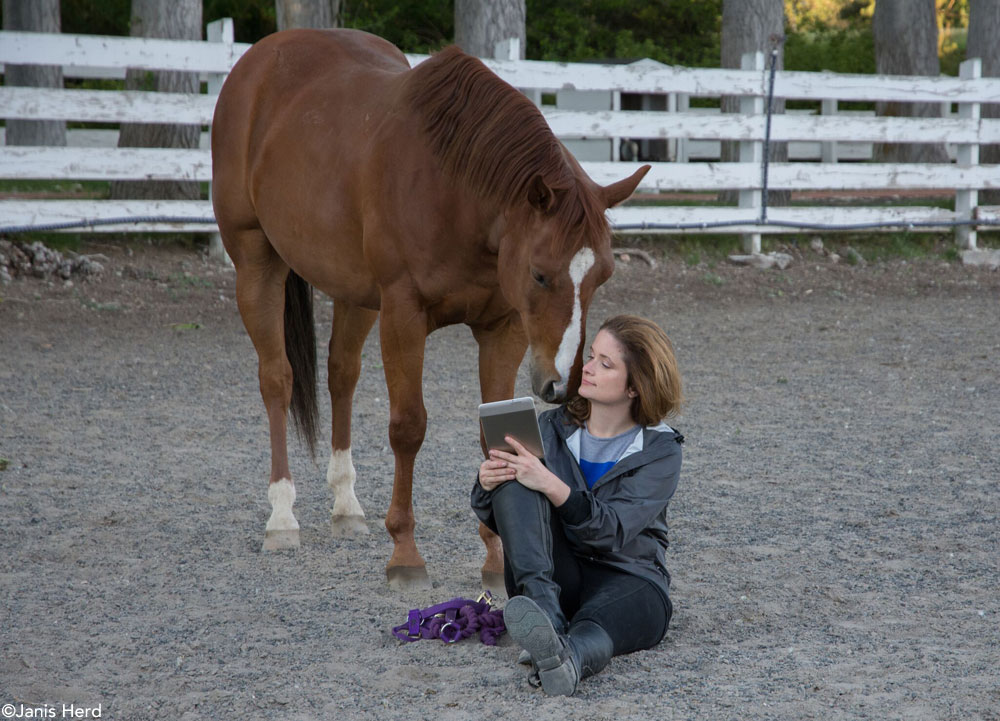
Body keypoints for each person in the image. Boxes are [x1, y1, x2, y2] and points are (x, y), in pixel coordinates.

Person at [471, 314, 685, 696]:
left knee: (595, 626)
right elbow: (515, 522)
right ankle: (548, 622)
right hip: (554, 579)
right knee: (516, 471)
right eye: (591, 356)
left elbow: (611, 531)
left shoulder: (660, 450)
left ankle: (568, 660)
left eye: (606, 364)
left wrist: (552, 486)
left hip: (632, 579)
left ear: (635, 387)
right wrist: (488, 486)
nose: (587, 368)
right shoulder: (551, 428)